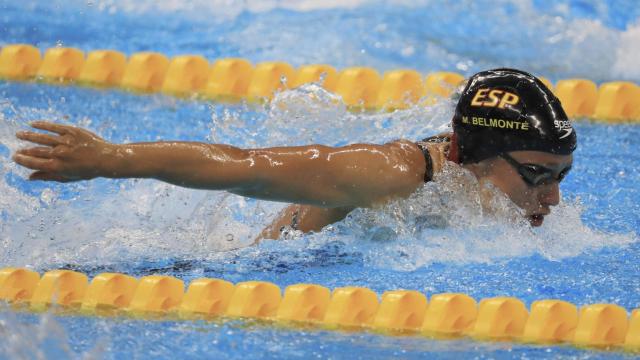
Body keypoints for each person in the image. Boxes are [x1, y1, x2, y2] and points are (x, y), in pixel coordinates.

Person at [11, 68, 576, 241]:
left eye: (560, 176)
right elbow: (245, 166)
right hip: (270, 266)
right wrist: (111, 159)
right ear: (466, 155)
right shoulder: (392, 173)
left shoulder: (484, 183)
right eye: (536, 176)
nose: (551, 197)